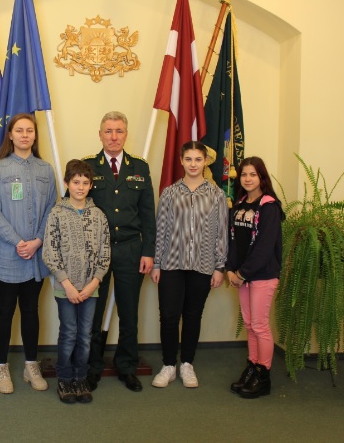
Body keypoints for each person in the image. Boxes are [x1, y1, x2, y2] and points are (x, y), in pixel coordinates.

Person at [83, 111, 156, 392]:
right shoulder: (88, 166)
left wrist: (148, 252)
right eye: (109, 131)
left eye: (119, 131)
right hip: (96, 252)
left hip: (130, 249)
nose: (114, 137)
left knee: (129, 313)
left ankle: (127, 367)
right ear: (100, 135)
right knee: (94, 312)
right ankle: (92, 368)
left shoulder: (139, 167)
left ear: (126, 135)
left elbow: (148, 214)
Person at [0, 113, 58, 394]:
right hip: (7, 254)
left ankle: (31, 365)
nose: (25, 135)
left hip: (36, 256)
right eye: (19, 130)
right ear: (11, 135)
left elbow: (52, 208)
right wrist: (18, 241)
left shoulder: (46, 170)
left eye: (29, 130)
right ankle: (1, 367)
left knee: (30, 311)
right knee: (4, 311)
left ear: (35, 135)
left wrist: (37, 241)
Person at [150, 141, 228, 389]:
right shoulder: (170, 193)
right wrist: (157, 263)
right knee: (169, 316)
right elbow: (161, 229)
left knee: (193, 315)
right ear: (181, 161)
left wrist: (219, 266)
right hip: (172, 263)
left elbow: (221, 232)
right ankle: (168, 365)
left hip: (203, 264)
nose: (193, 164)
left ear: (205, 162)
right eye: (189, 159)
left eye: (198, 159)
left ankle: (187, 364)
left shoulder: (216, 195)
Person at [43, 159, 111, 403]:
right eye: (75, 182)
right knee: (69, 333)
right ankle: (64, 378)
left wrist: (94, 283)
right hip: (66, 289)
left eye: (85, 183)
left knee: (85, 335)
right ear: (67, 184)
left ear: (91, 185)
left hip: (91, 288)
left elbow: (105, 253)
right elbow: (50, 253)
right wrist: (67, 285)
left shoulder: (99, 216)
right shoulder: (57, 214)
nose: (80, 187)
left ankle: (80, 377)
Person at [226, 156, 284, 399]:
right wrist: (231, 269)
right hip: (242, 276)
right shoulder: (239, 205)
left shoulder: (269, 207)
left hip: (262, 275)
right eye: (244, 174)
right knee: (250, 325)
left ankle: (263, 374)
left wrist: (242, 273)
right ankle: (252, 366)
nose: (248, 179)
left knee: (260, 326)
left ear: (262, 177)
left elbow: (264, 247)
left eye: (253, 174)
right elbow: (232, 242)